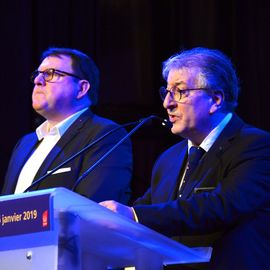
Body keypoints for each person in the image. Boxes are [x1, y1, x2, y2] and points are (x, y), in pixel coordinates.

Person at [100, 47, 270, 269]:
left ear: (215, 99)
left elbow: (221, 206)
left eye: (180, 91)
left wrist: (134, 215)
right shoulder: (168, 159)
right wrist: (104, 218)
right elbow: (148, 208)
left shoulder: (256, 146)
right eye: (167, 92)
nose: (167, 103)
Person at [2, 47, 132, 204]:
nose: (38, 80)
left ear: (81, 88)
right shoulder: (25, 143)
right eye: (38, 74)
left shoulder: (105, 135)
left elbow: (94, 209)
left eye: (50, 73)